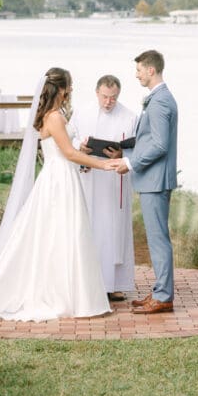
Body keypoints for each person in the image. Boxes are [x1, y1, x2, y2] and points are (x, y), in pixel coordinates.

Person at [0, 68, 119, 321]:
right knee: (63, 232)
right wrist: (104, 164)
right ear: (60, 89)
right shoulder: (54, 117)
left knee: (60, 233)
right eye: (69, 85)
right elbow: (69, 154)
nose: (71, 89)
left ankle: (68, 292)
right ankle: (63, 295)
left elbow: (66, 150)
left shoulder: (52, 115)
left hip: (60, 175)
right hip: (60, 179)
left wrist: (82, 150)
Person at [113, 50, 178, 315]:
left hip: (155, 180)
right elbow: (148, 139)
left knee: (158, 240)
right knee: (156, 238)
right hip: (153, 179)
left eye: (139, 70)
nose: (136, 74)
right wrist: (124, 151)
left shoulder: (160, 101)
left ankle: (163, 297)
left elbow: (160, 145)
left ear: (151, 70)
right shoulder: (159, 98)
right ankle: (160, 290)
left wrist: (130, 163)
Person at [71, 74, 137, 301]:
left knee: (112, 232)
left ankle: (113, 283)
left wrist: (122, 153)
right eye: (105, 97)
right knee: (88, 227)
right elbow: (70, 138)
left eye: (113, 97)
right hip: (88, 178)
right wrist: (80, 148)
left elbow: (136, 148)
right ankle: (85, 282)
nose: (109, 102)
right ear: (97, 92)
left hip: (114, 182)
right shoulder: (82, 112)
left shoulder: (129, 117)